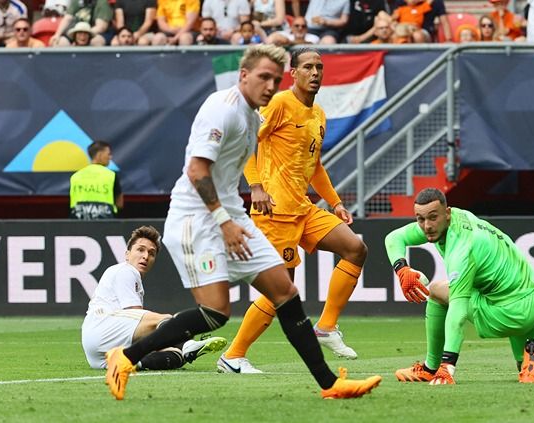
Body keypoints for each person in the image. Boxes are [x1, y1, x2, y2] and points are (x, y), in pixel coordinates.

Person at [103, 44, 381, 401]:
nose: (270, 85)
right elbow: (197, 170)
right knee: (216, 312)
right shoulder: (223, 110)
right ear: (244, 76)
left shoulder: (255, 115)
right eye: (264, 77)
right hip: (195, 221)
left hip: (231, 214)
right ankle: (124, 357)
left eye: (274, 79)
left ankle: (330, 385)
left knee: (286, 293)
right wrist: (230, 215)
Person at [218, 48, 368, 373]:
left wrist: (337, 202)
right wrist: (255, 185)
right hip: (274, 212)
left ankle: (327, 327)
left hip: (304, 209)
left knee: (355, 249)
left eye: (319, 67)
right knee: (281, 291)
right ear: (293, 73)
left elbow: (315, 167)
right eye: (308, 67)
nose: (315, 73)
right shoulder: (278, 104)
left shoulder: (318, 115)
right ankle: (233, 355)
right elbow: (245, 142)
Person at [385, 188, 534, 384]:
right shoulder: (459, 218)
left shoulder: (461, 250)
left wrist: (447, 365)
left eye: (432, 218)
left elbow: (458, 311)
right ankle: (532, 353)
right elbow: (394, 238)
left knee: (436, 292)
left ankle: (431, 368)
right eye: (420, 219)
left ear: (446, 214)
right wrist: (402, 269)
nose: (427, 226)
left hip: (510, 312)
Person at [82, 225, 227, 370]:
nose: (145, 256)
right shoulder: (125, 270)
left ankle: (136, 364)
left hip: (100, 353)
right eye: (140, 250)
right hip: (102, 327)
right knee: (167, 321)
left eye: (151, 253)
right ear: (127, 254)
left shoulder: (130, 277)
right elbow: (137, 314)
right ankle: (188, 345)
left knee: (176, 355)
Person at [70, 140, 124, 220]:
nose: (110, 157)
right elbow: (120, 204)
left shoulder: (75, 176)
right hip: (105, 222)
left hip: (78, 220)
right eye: (108, 154)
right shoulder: (111, 175)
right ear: (99, 155)